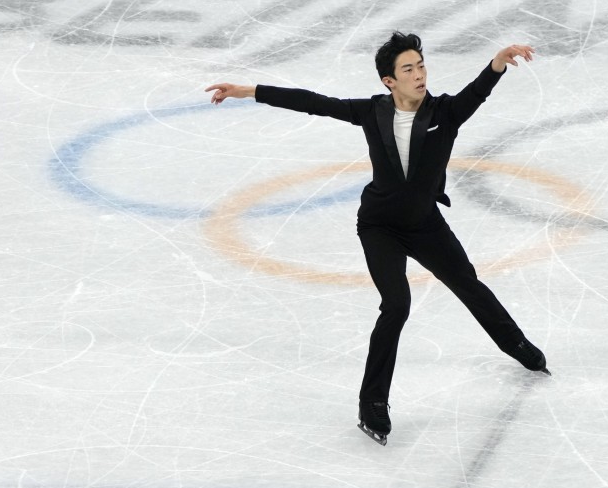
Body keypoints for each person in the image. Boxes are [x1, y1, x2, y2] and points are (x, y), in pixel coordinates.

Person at [205, 32, 549, 446]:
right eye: (409, 69)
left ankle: (516, 344)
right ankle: (373, 404)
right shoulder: (372, 112)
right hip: (379, 227)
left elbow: (477, 93)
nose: (419, 74)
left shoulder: (446, 112)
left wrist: (498, 61)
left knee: (467, 284)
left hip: (425, 225)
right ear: (389, 81)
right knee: (397, 304)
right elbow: (315, 102)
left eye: (421, 65)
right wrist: (250, 91)